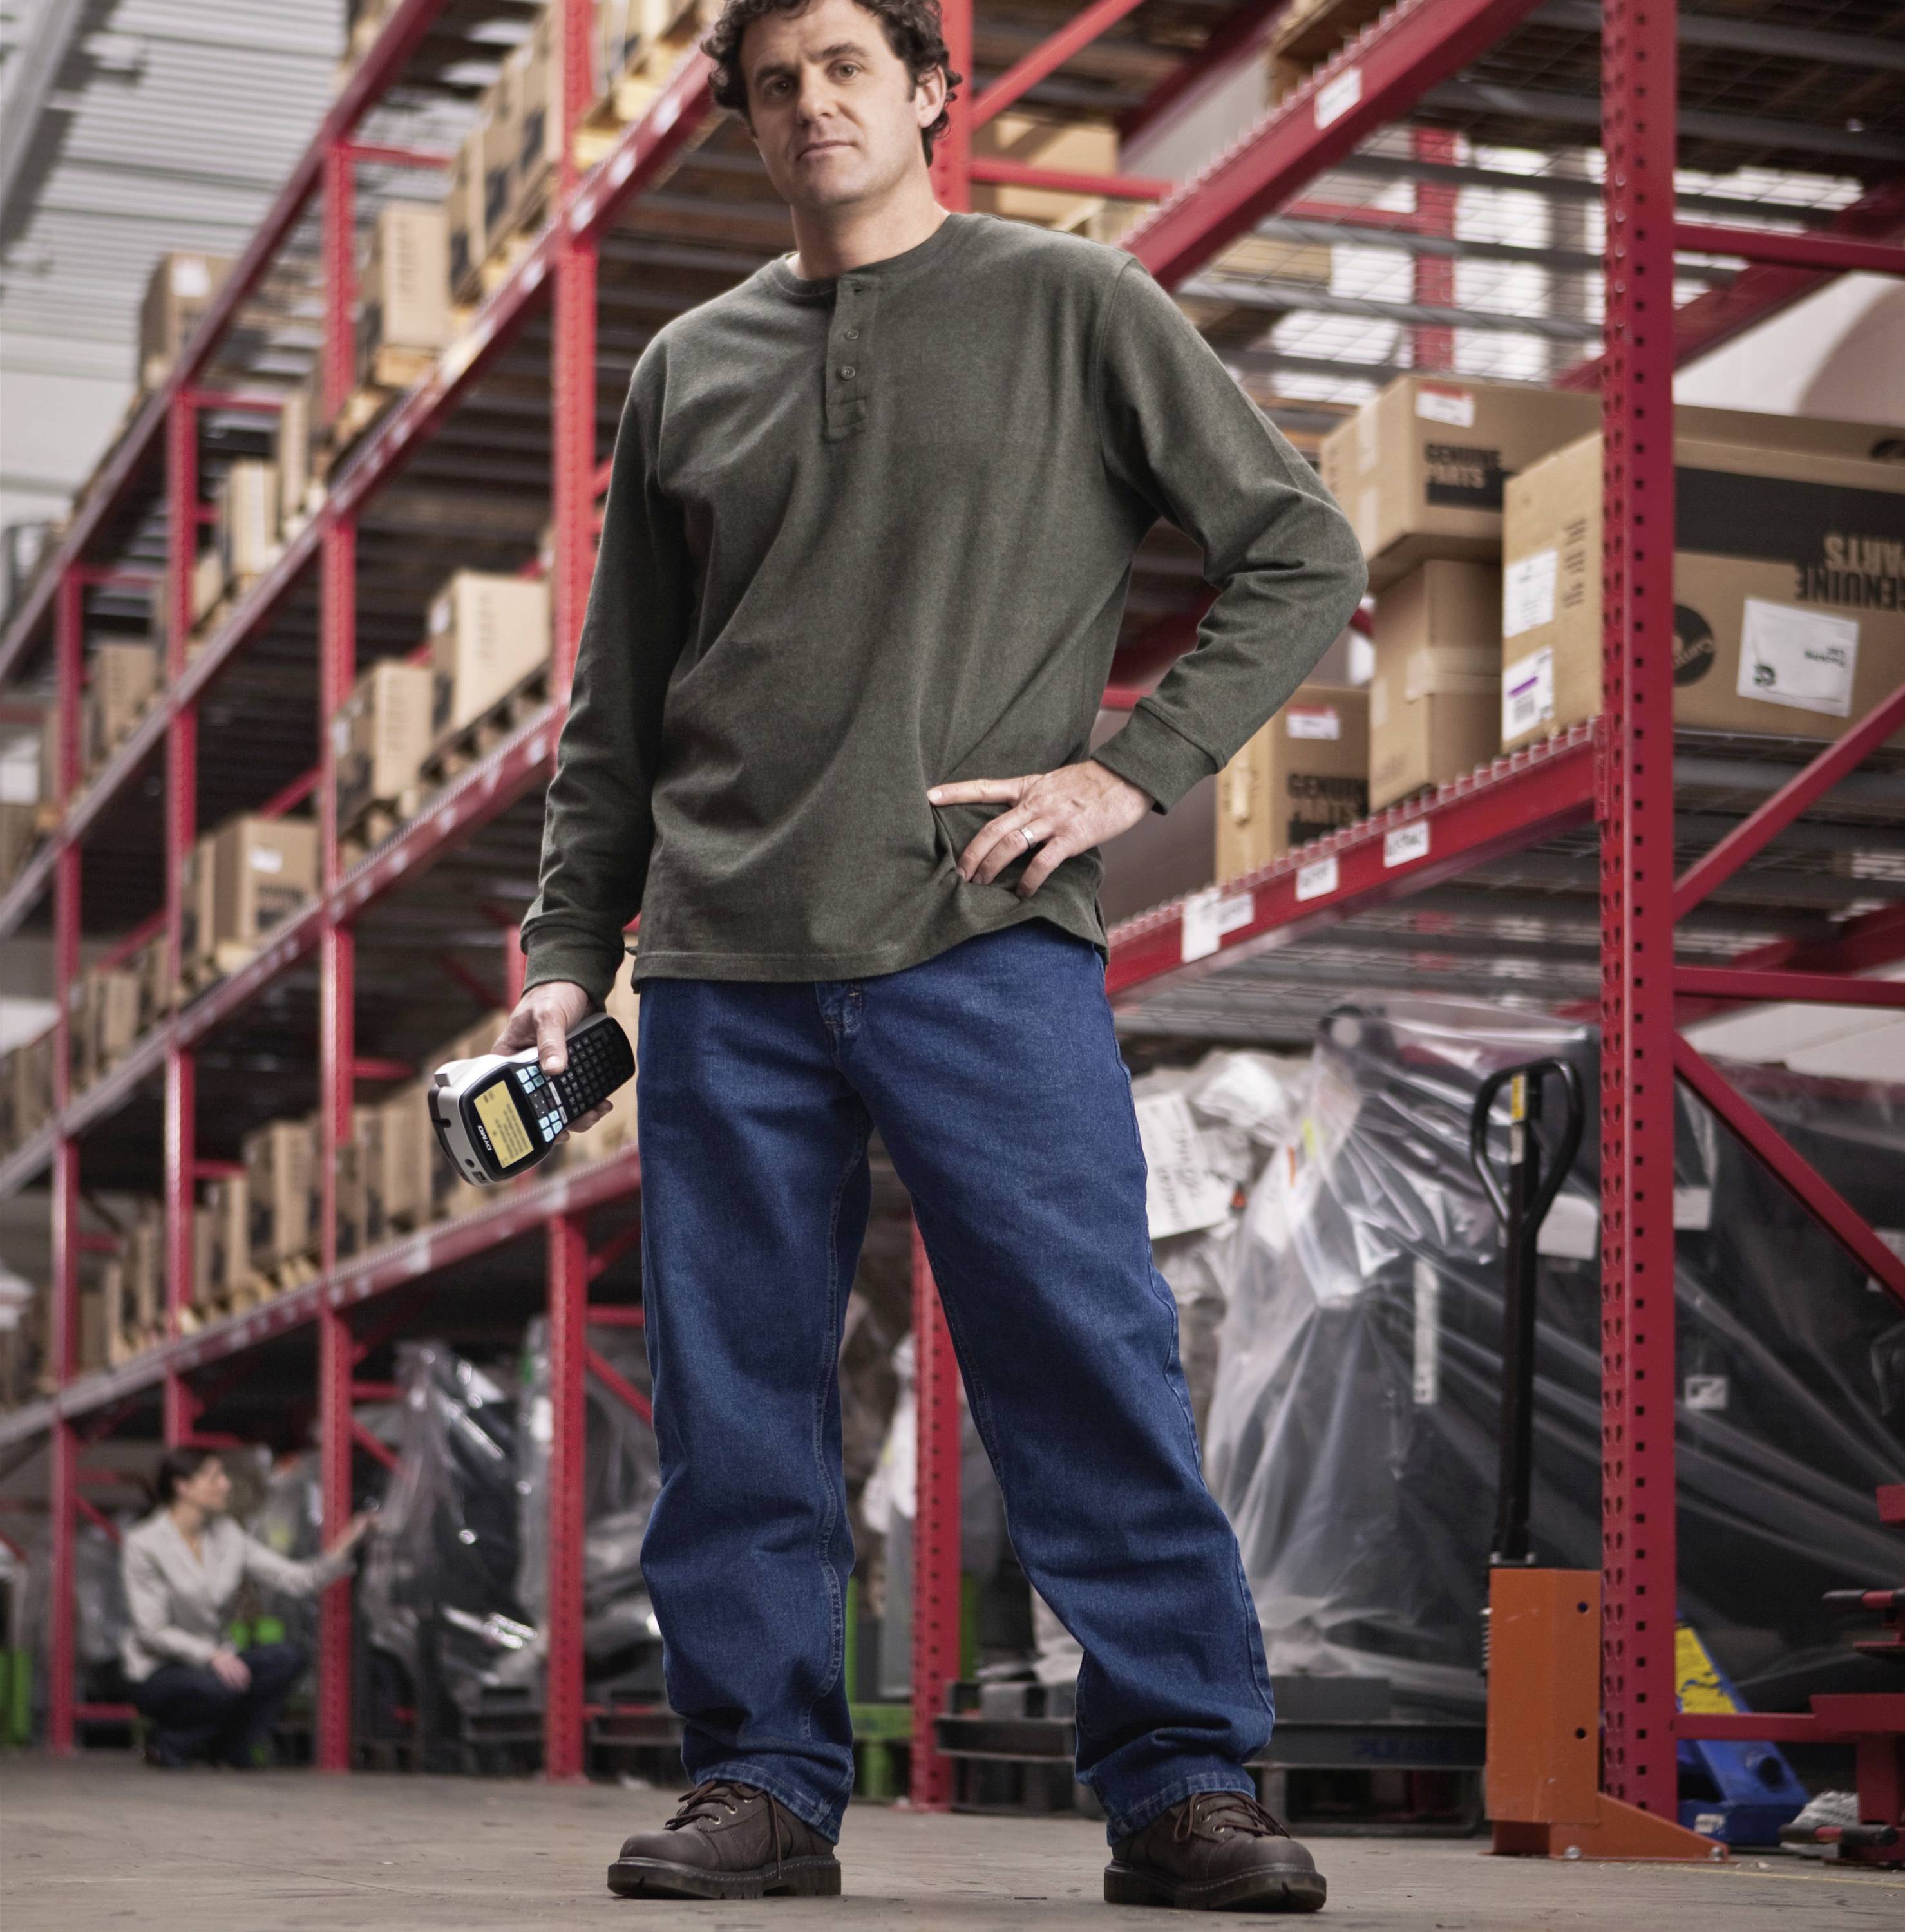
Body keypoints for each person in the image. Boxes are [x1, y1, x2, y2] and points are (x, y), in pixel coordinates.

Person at [503, 0, 1365, 1909]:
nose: (812, 105)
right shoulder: (686, 367)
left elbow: (1299, 546)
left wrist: (1129, 771)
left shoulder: (1079, 306)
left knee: (1086, 1352)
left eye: (843, 69)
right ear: (745, 122)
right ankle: (761, 1786)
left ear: (927, 93)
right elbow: (614, 716)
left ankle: (1182, 1782)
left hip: (984, 943)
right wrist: (574, 952)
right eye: (774, 83)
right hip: (724, 965)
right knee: (737, 1390)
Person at [120, 1447, 371, 1768]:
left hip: (218, 1661)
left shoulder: (229, 1535)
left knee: (287, 1658)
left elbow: (298, 1579)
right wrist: (210, 1655)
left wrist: (352, 1536)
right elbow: (151, 1631)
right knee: (219, 1686)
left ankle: (231, 1748)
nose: (225, 1485)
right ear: (182, 1487)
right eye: (214, 1477)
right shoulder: (145, 1544)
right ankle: (170, 1741)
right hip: (158, 1670)